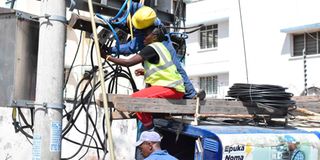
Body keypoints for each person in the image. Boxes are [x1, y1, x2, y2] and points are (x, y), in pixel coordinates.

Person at [101, 5, 199, 99]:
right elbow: (132, 6)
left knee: (175, 66)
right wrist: (117, 21)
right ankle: (190, 94)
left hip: (172, 85)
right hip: (172, 83)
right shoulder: (146, 13)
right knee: (173, 66)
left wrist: (109, 52)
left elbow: (130, 51)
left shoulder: (149, 40)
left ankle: (190, 94)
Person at [104, 24, 185, 129]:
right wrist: (145, 72)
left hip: (172, 88)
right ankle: (150, 125)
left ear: (154, 36)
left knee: (136, 99)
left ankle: (150, 129)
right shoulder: (162, 47)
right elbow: (162, 70)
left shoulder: (151, 48)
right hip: (171, 88)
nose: (143, 38)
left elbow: (128, 62)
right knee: (138, 99)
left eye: (145, 35)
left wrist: (107, 57)